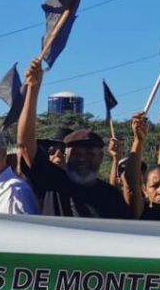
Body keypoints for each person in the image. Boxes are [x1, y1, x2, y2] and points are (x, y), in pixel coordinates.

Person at [17, 58, 129, 218]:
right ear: (66, 155)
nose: (82, 159)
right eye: (76, 154)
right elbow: (25, 145)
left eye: (90, 154)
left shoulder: (112, 197)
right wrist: (33, 89)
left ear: (101, 157)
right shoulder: (51, 182)